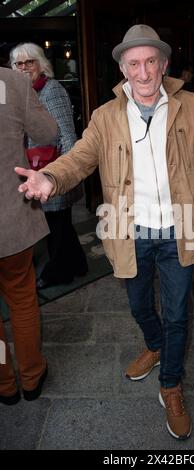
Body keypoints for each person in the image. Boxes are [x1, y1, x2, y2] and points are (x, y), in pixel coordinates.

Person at [14, 25, 194, 438]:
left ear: (164, 64)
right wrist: (50, 178)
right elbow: (79, 157)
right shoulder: (106, 116)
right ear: (123, 68)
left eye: (151, 61)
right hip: (128, 230)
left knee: (177, 314)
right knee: (138, 305)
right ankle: (153, 345)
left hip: (179, 230)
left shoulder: (190, 105)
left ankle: (170, 385)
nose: (144, 72)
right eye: (134, 63)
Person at [0, 66, 57, 405]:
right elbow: (48, 131)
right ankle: (32, 378)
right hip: (10, 218)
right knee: (22, 299)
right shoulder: (12, 81)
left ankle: (4, 383)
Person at [10, 43, 88, 289]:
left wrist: (65, 172)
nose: (24, 68)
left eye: (29, 62)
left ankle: (58, 273)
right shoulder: (21, 92)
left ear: (40, 64)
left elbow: (66, 133)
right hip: (36, 167)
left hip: (53, 168)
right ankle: (78, 264)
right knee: (60, 224)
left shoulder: (50, 90)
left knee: (55, 226)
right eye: (18, 64)